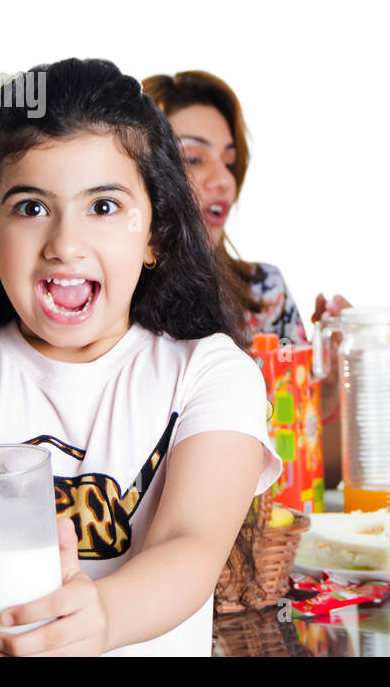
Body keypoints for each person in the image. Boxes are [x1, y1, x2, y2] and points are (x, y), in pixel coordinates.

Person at [0, 58, 281, 657]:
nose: (65, 244)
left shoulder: (211, 374)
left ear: (155, 232)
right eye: (31, 207)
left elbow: (191, 545)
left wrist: (101, 615)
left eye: (103, 207)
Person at [143, 70, 347, 486]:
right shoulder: (100, 301)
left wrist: (326, 396)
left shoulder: (263, 293)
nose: (224, 181)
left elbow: (313, 477)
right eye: (193, 159)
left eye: (230, 163)